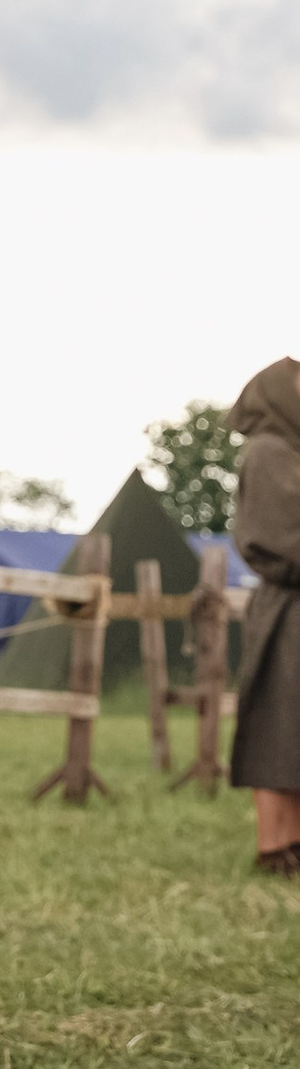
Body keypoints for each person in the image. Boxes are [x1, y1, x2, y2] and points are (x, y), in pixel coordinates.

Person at [227, 359, 300, 875]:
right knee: (278, 724)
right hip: (289, 607)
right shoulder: (270, 452)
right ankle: (276, 847)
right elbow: (279, 540)